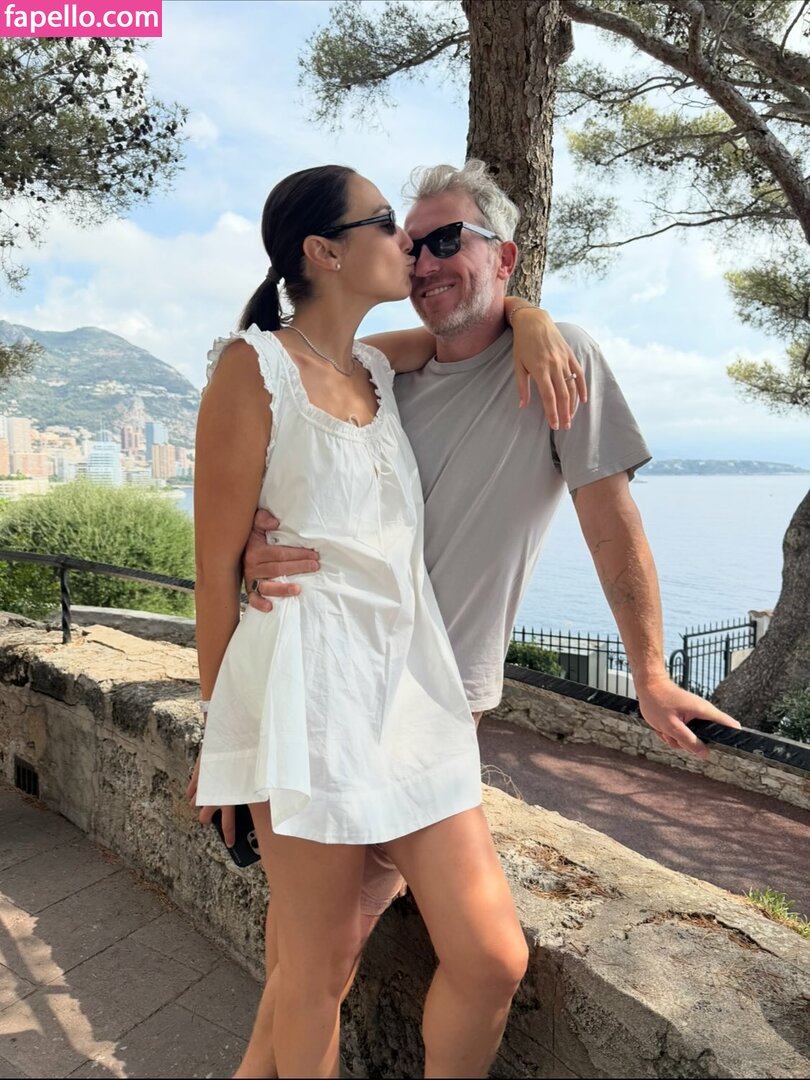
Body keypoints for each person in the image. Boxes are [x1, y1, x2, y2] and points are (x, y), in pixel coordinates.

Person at [242, 160, 742, 1075]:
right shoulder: (379, 371)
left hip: (437, 710)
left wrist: (650, 673)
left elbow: (612, 523)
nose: (423, 259)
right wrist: (248, 549)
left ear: (504, 257)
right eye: (409, 242)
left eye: (447, 240)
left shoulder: (557, 365)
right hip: (328, 693)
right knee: (317, 958)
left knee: (450, 958)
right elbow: (289, 449)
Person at [186, 163, 586, 1080]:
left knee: (492, 956)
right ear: (324, 252)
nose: (407, 242)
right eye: (383, 224)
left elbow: (475, 329)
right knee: (316, 970)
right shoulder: (252, 369)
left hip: (413, 691)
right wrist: (224, 739)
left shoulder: (375, 363)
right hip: (308, 693)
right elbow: (213, 574)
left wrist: (533, 316)